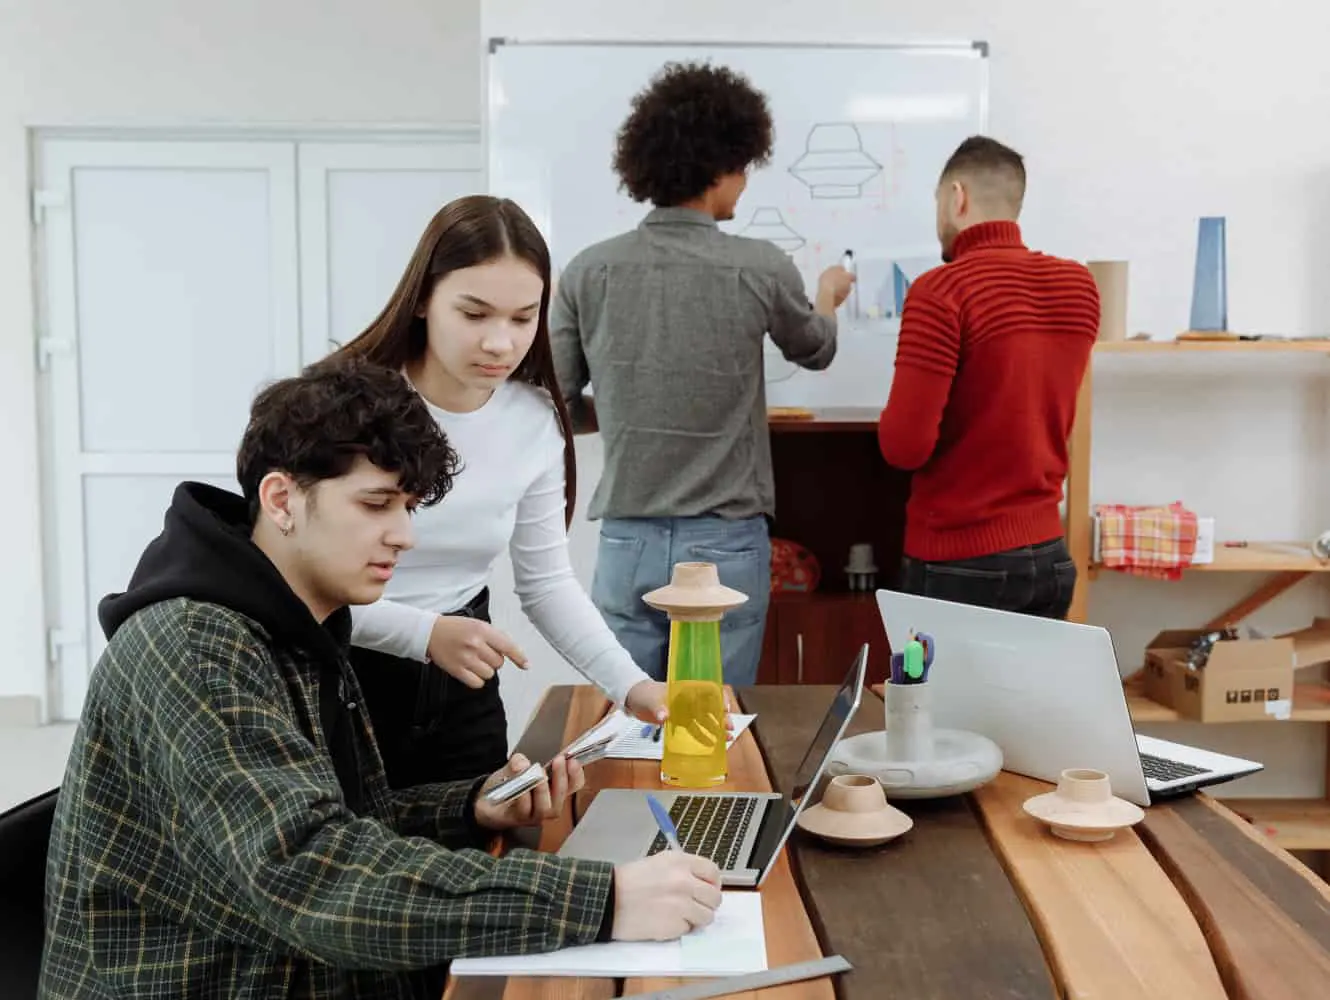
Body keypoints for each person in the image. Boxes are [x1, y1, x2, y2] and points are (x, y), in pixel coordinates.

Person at [39, 360, 723, 1000]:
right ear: (282, 498)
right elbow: (310, 877)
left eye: (408, 507)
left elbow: (328, 824)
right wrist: (602, 900)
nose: (405, 536)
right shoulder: (197, 644)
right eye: (375, 505)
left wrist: (468, 808)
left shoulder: (294, 619)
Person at [324, 196, 667, 789]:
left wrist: (631, 685)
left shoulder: (532, 418)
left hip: (464, 675)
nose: (500, 344)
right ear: (425, 299)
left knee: (480, 854)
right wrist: (423, 634)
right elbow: (284, 588)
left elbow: (546, 584)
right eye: (475, 314)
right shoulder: (343, 406)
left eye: (522, 318)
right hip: (344, 671)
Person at [550, 61, 855, 686]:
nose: (744, 184)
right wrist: (828, 294)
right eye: (742, 167)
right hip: (725, 543)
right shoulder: (759, 265)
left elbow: (554, 400)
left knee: (626, 724)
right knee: (714, 730)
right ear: (717, 168)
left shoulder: (589, 270)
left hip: (627, 543)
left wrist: (626, 402)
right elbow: (816, 349)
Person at [877, 136, 1100, 619]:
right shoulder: (1078, 286)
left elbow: (903, 446)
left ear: (957, 197)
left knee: (941, 700)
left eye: (939, 203)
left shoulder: (941, 290)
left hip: (958, 561)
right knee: (1025, 698)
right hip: (1046, 554)